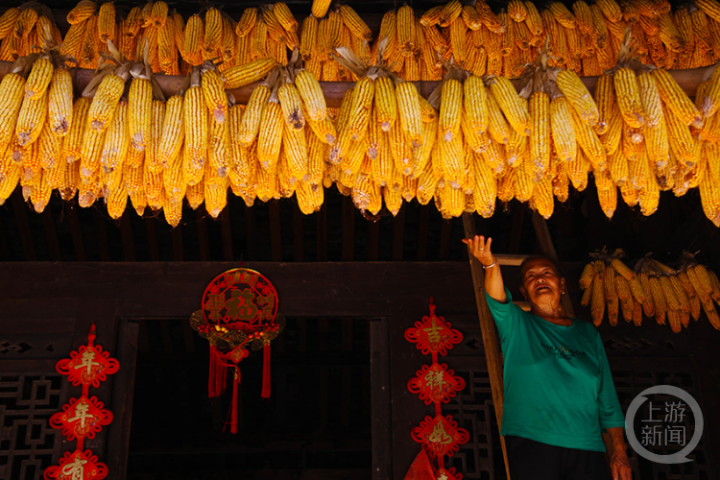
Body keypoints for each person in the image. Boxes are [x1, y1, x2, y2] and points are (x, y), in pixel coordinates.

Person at [462, 235, 633, 480]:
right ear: (524, 292)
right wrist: (490, 264)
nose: (539, 278)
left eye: (546, 273)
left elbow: (606, 396)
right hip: (532, 440)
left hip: (587, 444)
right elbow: (497, 298)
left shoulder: (587, 333)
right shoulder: (517, 325)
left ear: (562, 285)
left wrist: (619, 448)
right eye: (531, 276)